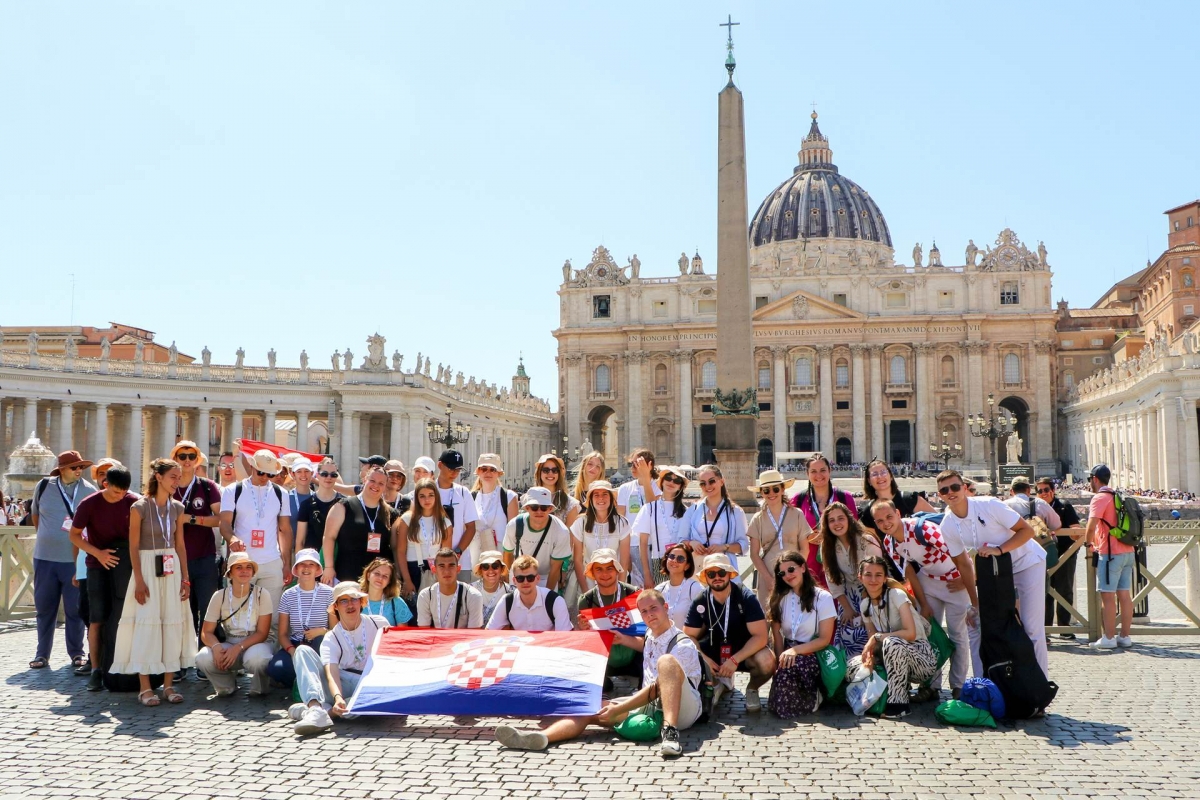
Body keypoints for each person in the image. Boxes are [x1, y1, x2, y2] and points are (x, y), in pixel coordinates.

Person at [493, 588, 703, 757]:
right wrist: (623, 639)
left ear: (666, 608)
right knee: (590, 707)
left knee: (666, 662)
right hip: (651, 706)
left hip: (684, 708)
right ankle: (540, 738)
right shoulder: (650, 634)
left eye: (653, 608)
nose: (649, 615)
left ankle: (670, 734)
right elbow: (646, 646)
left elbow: (658, 689)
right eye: (644, 612)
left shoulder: (682, 644)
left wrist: (620, 706)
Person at [935, 470, 1048, 676]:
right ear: (939, 495)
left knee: (1031, 627)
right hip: (996, 573)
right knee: (980, 624)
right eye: (944, 490)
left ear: (964, 488)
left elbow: (1028, 531)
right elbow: (964, 564)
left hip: (1027, 562)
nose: (950, 492)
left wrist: (1000, 549)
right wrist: (974, 603)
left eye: (955, 487)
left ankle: (1040, 686)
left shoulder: (989, 505)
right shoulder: (948, 525)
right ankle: (986, 685)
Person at [110, 458, 196, 706]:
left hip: (171, 569)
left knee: (171, 624)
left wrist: (186, 578)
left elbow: (180, 544)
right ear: (158, 477)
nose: (177, 482)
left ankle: (168, 684)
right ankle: (145, 687)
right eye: (173, 477)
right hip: (147, 568)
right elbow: (133, 546)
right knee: (146, 625)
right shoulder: (139, 507)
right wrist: (138, 579)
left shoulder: (177, 508)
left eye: (179, 478)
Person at [871, 500, 976, 701]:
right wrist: (923, 604)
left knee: (957, 635)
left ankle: (958, 685)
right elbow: (909, 571)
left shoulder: (924, 530)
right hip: (929, 581)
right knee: (928, 634)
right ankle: (932, 686)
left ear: (898, 513)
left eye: (889, 517)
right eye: (880, 521)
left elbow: (962, 554)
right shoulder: (889, 541)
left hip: (955, 580)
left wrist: (966, 580)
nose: (886, 523)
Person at [288, 581, 390, 735]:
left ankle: (318, 713)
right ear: (336, 606)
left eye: (354, 599)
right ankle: (316, 707)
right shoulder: (331, 637)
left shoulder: (379, 623)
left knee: (371, 700)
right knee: (302, 651)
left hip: (368, 684)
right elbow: (331, 672)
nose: (350, 605)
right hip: (342, 681)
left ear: (361, 602)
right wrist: (338, 697)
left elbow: (391, 656)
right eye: (344, 601)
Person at [69, 463, 137, 691]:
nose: (121, 497)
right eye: (116, 492)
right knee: (96, 619)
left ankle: (126, 664)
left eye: (124, 492)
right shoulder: (89, 504)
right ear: (105, 484)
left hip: (126, 565)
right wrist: (98, 553)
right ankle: (96, 669)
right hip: (96, 565)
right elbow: (75, 536)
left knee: (126, 615)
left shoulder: (133, 501)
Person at [29, 450, 97, 671]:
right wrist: (47, 537)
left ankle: (76, 653)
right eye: (74, 467)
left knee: (74, 609)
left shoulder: (89, 491)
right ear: (61, 470)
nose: (79, 471)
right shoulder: (43, 486)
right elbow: (36, 515)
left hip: (74, 560)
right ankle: (41, 654)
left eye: (81, 467)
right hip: (44, 558)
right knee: (44, 608)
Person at [848, 556, 938, 719]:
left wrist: (877, 637)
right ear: (860, 577)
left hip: (921, 658)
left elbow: (910, 633)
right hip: (889, 656)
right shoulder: (864, 605)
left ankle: (899, 704)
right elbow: (872, 641)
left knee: (891, 643)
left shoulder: (896, 595)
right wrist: (869, 657)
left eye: (878, 575)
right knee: (851, 665)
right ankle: (873, 697)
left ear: (884, 578)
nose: (873, 579)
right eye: (868, 574)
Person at [684, 554, 775, 713]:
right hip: (713, 654)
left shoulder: (745, 597)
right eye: (711, 574)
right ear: (705, 577)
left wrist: (734, 659)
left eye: (721, 573)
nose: (717, 577)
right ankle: (715, 684)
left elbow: (761, 636)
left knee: (767, 660)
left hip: (744, 653)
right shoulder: (701, 600)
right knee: (688, 654)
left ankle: (752, 689)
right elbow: (688, 636)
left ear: (730, 574)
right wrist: (704, 659)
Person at [219, 449, 292, 634]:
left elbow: (285, 529)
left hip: (272, 561)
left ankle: (270, 659)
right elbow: (224, 524)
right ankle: (239, 655)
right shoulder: (232, 490)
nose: (264, 477)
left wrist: (286, 563)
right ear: (251, 467)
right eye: (261, 472)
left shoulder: (281, 493)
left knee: (272, 616)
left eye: (269, 474)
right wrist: (232, 538)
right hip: (243, 562)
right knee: (240, 615)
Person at [766, 550, 836, 717]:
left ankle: (814, 696)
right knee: (778, 702)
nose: (788, 575)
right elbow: (776, 635)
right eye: (782, 573)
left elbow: (825, 639)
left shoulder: (823, 597)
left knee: (793, 672)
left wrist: (795, 651)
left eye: (791, 569)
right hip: (787, 652)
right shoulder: (780, 598)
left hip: (813, 651)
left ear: (803, 567)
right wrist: (779, 660)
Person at [169, 441, 223, 654]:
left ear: (197, 460)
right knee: (181, 611)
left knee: (207, 610)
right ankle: (181, 658)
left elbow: (219, 519)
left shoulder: (208, 486)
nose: (187, 461)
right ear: (175, 459)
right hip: (174, 558)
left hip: (204, 557)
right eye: (182, 456)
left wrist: (189, 519)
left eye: (192, 456)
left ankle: (204, 656)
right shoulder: (167, 486)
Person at [196, 552, 275, 697]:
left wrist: (238, 648)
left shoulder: (262, 594)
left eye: (248, 567)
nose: (244, 571)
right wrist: (216, 647)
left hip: (256, 643)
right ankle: (226, 686)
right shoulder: (219, 595)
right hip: (229, 642)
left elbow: (262, 633)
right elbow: (206, 632)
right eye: (238, 567)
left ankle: (259, 688)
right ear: (230, 573)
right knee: (203, 658)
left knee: (258, 658)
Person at [816, 501, 884, 657]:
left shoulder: (866, 540)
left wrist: (866, 607)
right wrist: (846, 608)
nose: (837, 523)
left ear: (849, 519)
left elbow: (877, 573)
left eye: (841, 518)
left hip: (874, 593)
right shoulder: (827, 546)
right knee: (847, 634)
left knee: (874, 638)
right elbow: (832, 580)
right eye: (831, 520)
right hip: (848, 596)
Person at [265, 549, 335, 687]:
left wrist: (321, 631)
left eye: (311, 564)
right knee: (275, 669)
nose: (307, 568)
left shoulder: (329, 593)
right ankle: (304, 682)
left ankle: (315, 682)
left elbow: (335, 630)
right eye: (302, 564)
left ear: (317, 569)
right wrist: (292, 651)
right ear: (296, 568)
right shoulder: (288, 595)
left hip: (321, 643)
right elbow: (283, 634)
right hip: (297, 644)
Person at [1085, 464, 1135, 649]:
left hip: (1110, 553)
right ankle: (1125, 636)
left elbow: (1091, 526)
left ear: (1095, 479)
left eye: (1090, 479)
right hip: (1128, 551)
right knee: (1124, 595)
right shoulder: (1117, 495)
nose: (1090, 483)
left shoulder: (1100, 498)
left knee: (1108, 597)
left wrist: (1087, 543)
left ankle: (1109, 637)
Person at [791, 453, 858, 589]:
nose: (819, 475)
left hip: (840, 563)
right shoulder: (798, 499)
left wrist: (829, 534)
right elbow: (790, 531)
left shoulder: (845, 497)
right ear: (807, 474)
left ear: (830, 471)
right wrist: (805, 536)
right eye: (813, 471)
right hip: (808, 565)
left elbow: (855, 529)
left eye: (823, 470)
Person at [747, 469, 811, 611]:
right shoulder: (757, 519)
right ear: (761, 493)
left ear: (782, 489)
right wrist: (769, 579)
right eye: (766, 490)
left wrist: (797, 571)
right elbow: (754, 554)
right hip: (768, 575)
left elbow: (804, 548)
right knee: (769, 617)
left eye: (775, 489)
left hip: (796, 575)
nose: (771, 493)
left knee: (798, 614)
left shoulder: (797, 514)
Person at [320, 466, 394, 587]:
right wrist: (329, 567)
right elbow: (329, 537)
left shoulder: (391, 514)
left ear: (385, 487)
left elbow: (395, 548)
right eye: (372, 480)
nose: (376, 485)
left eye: (381, 483)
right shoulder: (343, 506)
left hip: (378, 583)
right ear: (365, 480)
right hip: (346, 576)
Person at [1036, 476, 1084, 638]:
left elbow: (1075, 527)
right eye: (1039, 491)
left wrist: (1077, 533)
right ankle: (1046, 629)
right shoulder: (1035, 508)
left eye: (1046, 490)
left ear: (1053, 491)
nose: (1043, 494)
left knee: (1064, 591)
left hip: (1065, 554)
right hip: (1044, 556)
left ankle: (1065, 629)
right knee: (1045, 593)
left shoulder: (1064, 507)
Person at [501, 487, 572, 590]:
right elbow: (507, 555)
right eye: (534, 507)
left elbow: (555, 569)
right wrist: (508, 586)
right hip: (519, 576)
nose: (539, 511)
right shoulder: (514, 525)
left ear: (550, 509)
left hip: (546, 577)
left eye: (543, 507)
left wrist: (548, 596)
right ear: (527, 508)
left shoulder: (561, 531)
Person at [681, 465, 748, 572]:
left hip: (724, 568)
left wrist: (724, 547)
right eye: (703, 483)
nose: (707, 486)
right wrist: (691, 543)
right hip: (697, 566)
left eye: (711, 481)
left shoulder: (735, 511)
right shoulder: (692, 510)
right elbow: (681, 540)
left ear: (721, 482)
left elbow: (744, 545)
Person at [632, 466, 690, 589]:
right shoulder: (649, 508)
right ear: (662, 481)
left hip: (682, 562)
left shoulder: (687, 511)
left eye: (677, 480)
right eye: (668, 478)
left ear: (681, 486)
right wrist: (647, 575)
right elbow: (642, 544)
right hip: (658, 561)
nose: (671, 482)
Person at [396, 478, 452, 597]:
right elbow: (400, 551)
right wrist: (407, 580)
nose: (427, 500)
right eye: (422, 496)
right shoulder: (407, 520)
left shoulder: (445, 522)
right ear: (416, 498)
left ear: (436, 496)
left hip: (435, 571)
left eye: (431, 495)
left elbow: (447, 555)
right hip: (412, 570)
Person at [571, 481, 631, 589]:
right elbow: (578, 560)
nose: (601, 498)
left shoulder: (622, 523)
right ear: (591, 499)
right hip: (588, 580)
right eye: (596, 495)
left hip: (615, 579)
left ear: (611, 498)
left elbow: (624, 560)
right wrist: (585, 590)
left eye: (605, 494)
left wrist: (620, 588)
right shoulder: (580, 523)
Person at [487, 554, 571, 631]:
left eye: (530, 578)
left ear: (537, 579)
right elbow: (490, 631)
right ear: (514, 581)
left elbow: (565, 637)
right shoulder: (507, 601)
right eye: (520, 578)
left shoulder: (555, 601)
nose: (525, 582)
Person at [618, 449, 662, 588]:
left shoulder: (659, 487)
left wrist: (646, 479)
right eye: (632, 464)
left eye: (637, 464)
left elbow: (653, 509)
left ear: (649, 465)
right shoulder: (625, 488)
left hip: (656, 544)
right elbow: (621, 521)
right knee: (639, 585)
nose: (633, 468)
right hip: (633, 544)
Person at [858, 458, 937, 535]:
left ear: (891, 476)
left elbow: (937, 521)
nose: (879, 476)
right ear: (869, 481)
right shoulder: (868, 512)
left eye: (883, 472)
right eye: (874, 474)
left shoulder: (910, 499)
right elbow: (874, 542)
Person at [434, 449, 480, 577]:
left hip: (460, 562)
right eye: (451, 468)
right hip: (432, 560)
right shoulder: (428, 492)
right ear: (440, 465)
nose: (454, 473)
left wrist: (457, 552)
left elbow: (471, 528)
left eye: (458, 470)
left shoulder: (464, 492)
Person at [415, 548, 484, 628]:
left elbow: (474, 634)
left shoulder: (473, 596)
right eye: (442, 566)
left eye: (451, 566)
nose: (447, 571)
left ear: (458, 569)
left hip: (462, 640)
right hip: (435, 640)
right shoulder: (425, 596)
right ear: (434, 569)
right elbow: (424, 632)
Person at [295, 457, 342, 560]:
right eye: (324, 474)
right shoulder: (306, 504)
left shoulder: (344, 503)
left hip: (337, 560)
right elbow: (300, 541)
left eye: (333, 475)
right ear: (317, 475)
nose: (328, 477)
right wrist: (299, 564)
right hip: (312, 560)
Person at [471, 453, 518, 555]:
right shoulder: (471, 498)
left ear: (498, 473)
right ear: (478, 472)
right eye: (484, 469)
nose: (488, 473)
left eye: (492, 469)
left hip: (501, 555)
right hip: (476, 555)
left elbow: (514, 532)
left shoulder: (509, 497)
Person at [656, 543, 703, 630]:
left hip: (687, 640)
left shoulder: (695, 588)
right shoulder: (658, 590)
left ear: (687, 566)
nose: (674, 560)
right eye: (671, 556)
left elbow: (703, 620)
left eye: (680, 559)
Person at [360, 557, 413, 626]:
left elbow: (402, 634)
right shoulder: (357, 600)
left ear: (389, 581)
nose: (380, 578)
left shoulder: (396, 602)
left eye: (385, 576)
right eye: (377, 574)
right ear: (368, 576)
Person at [533, 453, 581, 528]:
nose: (550, 473)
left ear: (559, 473)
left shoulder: (570, 504)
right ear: (539, 473)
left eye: (555, 470)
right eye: (546, 470)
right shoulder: (529, 499)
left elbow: (570, 536)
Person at [472, 549, 511, 624]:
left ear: (501, 569)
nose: (490, 571)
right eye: (485, 566)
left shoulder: (511, 592)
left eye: (495, 566)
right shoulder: (470, 590)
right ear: (481, 570)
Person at [285, 458, 316, 534]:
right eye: (299, 471)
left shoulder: (317, 498)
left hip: (313, 545)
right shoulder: (285, 497)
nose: (303, 475)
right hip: (290, 545)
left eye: (306, 471)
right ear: (292, 474)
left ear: (312, 473)